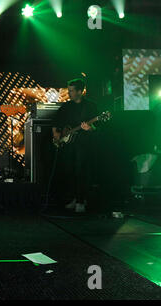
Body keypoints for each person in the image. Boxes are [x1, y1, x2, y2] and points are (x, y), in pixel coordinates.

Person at [52, 78, 98, 213]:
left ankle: (81, 201)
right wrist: (56, 134)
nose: (69, 93)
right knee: (69, 171)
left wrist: (90, 128)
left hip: (83, 144)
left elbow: (97, 126)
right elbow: (56, 121)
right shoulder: (66, 106)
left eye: (71, 91)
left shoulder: (91, 106)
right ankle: (74, 198)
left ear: (80, 91)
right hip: (68, 145)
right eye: (69, 90)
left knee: (81, 171)